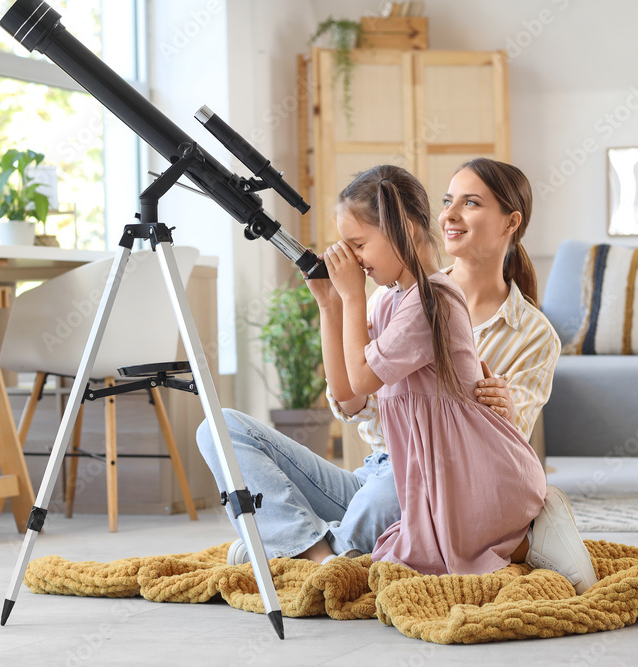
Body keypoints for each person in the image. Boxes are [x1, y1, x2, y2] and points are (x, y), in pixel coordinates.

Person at [196, 161, 597, 589]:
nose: (450, 214)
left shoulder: (440, 302)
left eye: (471, 203)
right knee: (219, 429)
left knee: (377, 512)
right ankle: (312, 549)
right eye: (448, 201)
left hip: (440, 481)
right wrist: (331, 304)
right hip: (386, 470)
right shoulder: (391, 300)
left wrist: (353, 298)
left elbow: (367, 380)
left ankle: (297, 550)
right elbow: (349, 396)